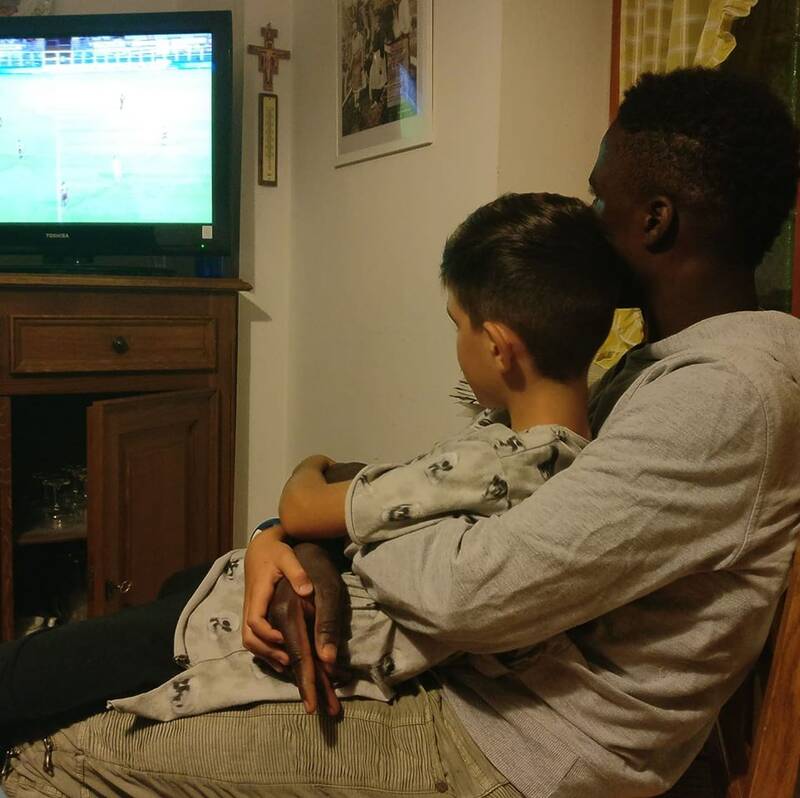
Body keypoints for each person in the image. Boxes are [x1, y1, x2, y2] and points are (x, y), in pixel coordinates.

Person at [2, 66, 800, 798]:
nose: (587, 222)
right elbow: (477, 509)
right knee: (172, 603)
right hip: (480, 684)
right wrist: (298, 535)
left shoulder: (724, 396)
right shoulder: (666, 369)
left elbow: (466, 594)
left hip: (509, 744)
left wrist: (337, 528)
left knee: (50, 755)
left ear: (656, 220)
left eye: (600, 202)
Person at [102, 192, 618, 722]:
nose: (457, 343)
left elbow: (300, 506)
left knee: (73, 658)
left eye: (457, 324)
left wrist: (312, 462)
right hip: (290, 578)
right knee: (178, 584)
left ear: (496, 346)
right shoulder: (587, 457)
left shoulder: (492, 463)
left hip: (275, 633)